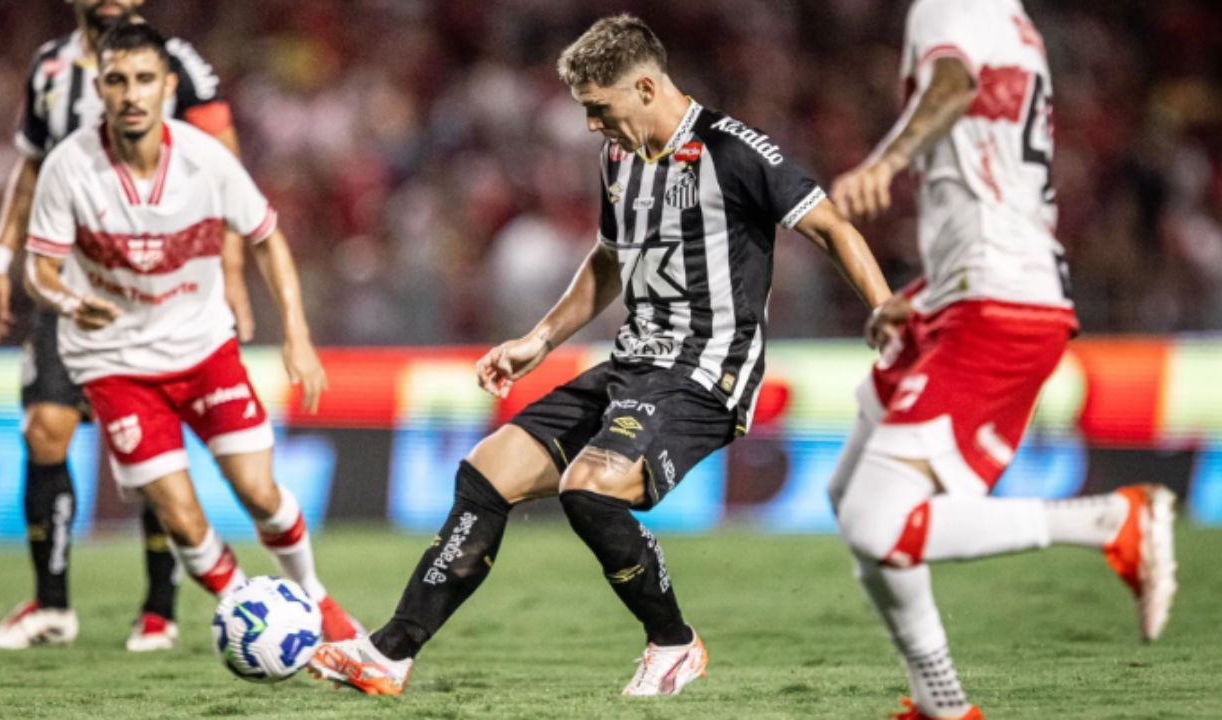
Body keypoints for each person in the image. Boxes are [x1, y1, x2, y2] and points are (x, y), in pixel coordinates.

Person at [305, 14, 892, 698]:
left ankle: (673, 644)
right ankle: (390, 654)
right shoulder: (619, 156)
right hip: (632, 367)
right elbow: (608, 262)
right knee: (489, 470)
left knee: (591, 487)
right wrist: (538, 340)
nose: (590, 125)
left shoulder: (733, 151)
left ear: (645, 87)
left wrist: (885, 313)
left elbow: (832, 227)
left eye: (598, 108)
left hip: (704, 374)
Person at [826, 1, 1177, 718]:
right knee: (847, 492)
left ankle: (1111, 521)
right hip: (970, 285)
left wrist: (884, 163)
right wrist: (924, 294)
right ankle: (941, 703)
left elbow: (954, 86)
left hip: (998, 296)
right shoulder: (1012, 22)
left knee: (875, 523)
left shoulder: (949, 7)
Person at [20, 21, 359, 645]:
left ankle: (317, 600)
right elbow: (39, 269)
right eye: (117, 80)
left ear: (168, 87)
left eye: (144, 79)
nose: (131, 94)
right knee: (180, 516)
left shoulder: (207, 160)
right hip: (114, 362)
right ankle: (257, 622)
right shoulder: (68, 168)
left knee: (259, 493)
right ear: (100, 88)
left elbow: (267, 238)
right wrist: (68, 299)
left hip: (203, 349)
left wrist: (297, 334)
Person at [0, 0, 255, 652]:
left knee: (154, 443)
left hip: (158, 287)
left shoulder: (177, 64)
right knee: (44, 428)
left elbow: (225, 166)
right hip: (70, 281)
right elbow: (31, 167)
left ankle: (159, 606)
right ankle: (51, 606)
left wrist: (233, 270)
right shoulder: (50, 67)